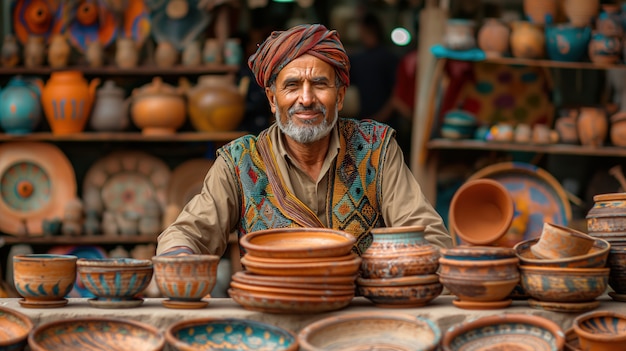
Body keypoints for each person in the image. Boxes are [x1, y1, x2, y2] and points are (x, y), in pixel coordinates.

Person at [156, 24, 451, 257]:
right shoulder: (239, 162)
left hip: (360, 314)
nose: (306, 99)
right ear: (273, 99)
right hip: (271, 317)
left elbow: (429, 235)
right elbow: (186, 234)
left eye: (320, 84)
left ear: (340, 95)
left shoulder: (376, 148)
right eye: (292, 86)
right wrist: (181, 258)